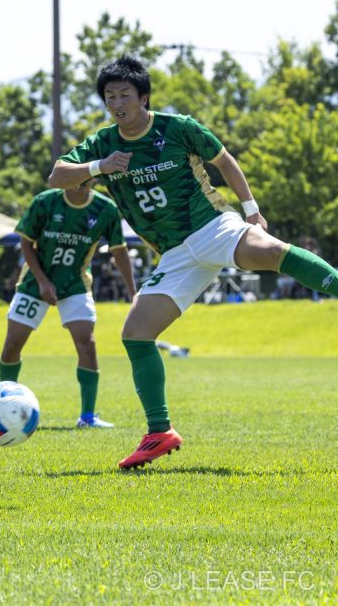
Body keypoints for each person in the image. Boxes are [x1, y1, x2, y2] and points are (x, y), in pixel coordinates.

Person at [50, 56, 338, 469]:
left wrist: (251, 210)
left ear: (143, 97)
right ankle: (160, 431)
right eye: (110, 96)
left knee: (272, 253)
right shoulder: (103, 143)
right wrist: (99, 167)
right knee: (136, 334)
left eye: (125, 95)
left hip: (212, 227)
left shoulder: (177, 127)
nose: (117, 103)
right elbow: (57, 175)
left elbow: (223, 160)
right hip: (174, 255)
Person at [0, 181, 137, 428]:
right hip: (35, 282)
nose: (82, 179)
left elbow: (119, 250)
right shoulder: (45, 201)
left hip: (75, 283)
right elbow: (26, 244)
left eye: (87, 173)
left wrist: (133, 292)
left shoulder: (105, 209)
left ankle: (88, 417)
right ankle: (3, 407)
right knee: (12, 345)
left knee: (87, 344)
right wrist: (43, 282)